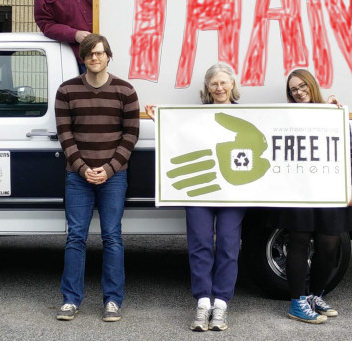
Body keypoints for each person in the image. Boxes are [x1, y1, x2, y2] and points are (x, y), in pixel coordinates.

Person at [144, 62, 245, 332]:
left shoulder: (248, 114)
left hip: (233, 194)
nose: (220, 87)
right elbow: (177, 137)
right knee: (199, 244)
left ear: (232, 85)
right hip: (200, 191)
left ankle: (221, 304)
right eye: (214, 83)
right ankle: (202, 302)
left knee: (228, 245)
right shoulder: (194, 115)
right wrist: (159, 121)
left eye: (224, 82)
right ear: (207, 88)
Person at [54, 33, 139, 323]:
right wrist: (82, 168)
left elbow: (131, 135)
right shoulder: (66, 91)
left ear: (108, 56)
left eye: (100, 53)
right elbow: (65, 134)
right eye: (90, 53)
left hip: (113, 177)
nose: (94, 58)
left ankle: (113, 301)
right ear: (83, 57)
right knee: (75, 237)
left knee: (112, 236)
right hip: (77, 177)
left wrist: (110, 168)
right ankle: (70, 300)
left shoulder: (126, 91)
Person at [281, 69, 352, 324]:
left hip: (330, 186)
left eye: (302, 86)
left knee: (329, 245)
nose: (299, 91)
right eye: (293, 89)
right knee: (299, 243)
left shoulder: (334, 114)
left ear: (312, 85)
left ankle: (315, 295)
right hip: (299, 190)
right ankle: (297, 302)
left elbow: (347, 153)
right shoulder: (286, 117)